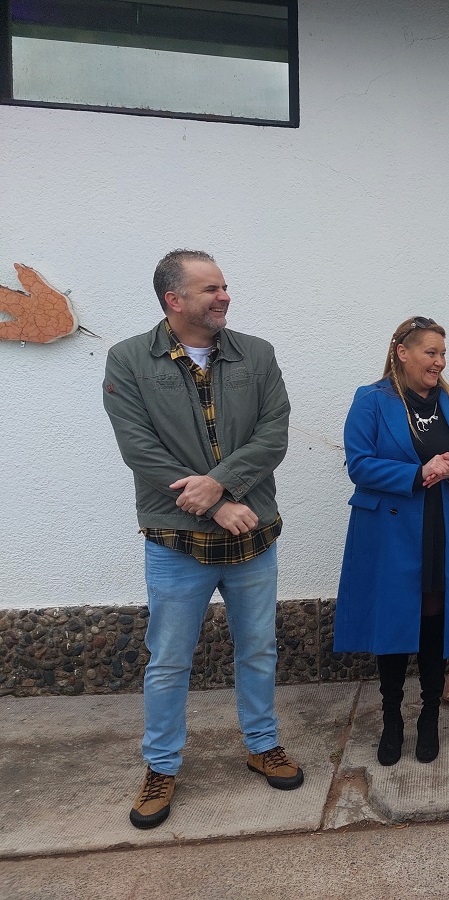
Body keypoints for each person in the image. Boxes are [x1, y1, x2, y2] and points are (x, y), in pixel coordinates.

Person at [103, 249, 302, 831]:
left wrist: (219, 484)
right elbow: (139, 448)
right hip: (175, 537)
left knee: (258, 648)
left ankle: (261, 743)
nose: (224, 296)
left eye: (224, 286)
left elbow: (275, 432)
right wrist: (216, 503)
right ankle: (161, 767)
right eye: (210, 288)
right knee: (167, 661)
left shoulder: (256, 354)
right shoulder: (129, 361)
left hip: (252, 533)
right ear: (174, 300)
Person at [334, 316, 449, 767]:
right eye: (430, 352)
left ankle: (430, 716)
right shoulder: (372, 401)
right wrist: (416, 474)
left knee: (434, 621)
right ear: (402, 352)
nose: (439, 362)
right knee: (396, 621)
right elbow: (359, 464)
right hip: (392, 532)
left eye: (443, 353)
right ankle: (392, 719)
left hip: (443, 526)